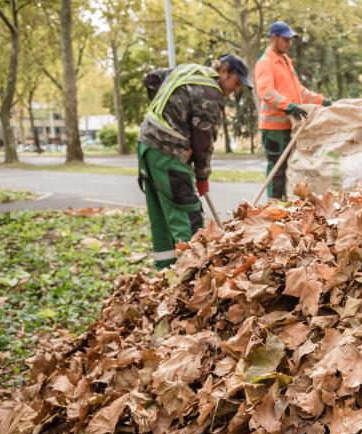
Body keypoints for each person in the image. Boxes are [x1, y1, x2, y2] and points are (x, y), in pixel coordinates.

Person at [137, 54, 251, 269]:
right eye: (237, 82)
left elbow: (151, 79)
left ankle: (165, 272)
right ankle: (191, 279)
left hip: (146, 145)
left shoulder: (189, 70)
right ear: (224, 71)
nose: (236, 89)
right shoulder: (212, 94)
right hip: (168, 154)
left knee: (161, 216)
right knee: (188, 217)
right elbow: (203, 142)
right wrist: (202, 177)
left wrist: (168, 121)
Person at [255, 21, 331, 200]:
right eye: (285, 39)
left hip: (288, 125)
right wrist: (288, 106)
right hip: (274, 127)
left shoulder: (285, 62)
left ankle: (281, 203)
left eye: (290, 40)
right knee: (277, 168)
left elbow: (299, 92)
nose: (289, 44)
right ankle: (273, 204)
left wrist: (322, 101)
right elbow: (266, 91)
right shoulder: (266, 63)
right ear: (274, 38)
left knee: (287, 168)